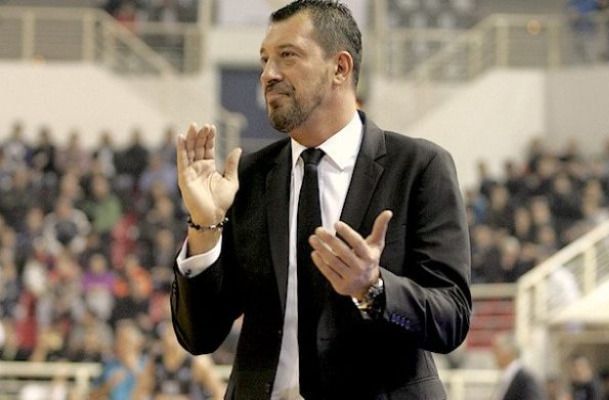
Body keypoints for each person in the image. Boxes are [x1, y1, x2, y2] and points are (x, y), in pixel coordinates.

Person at [171, 1, 471, 399]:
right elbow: (199, 336)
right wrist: (204, 227)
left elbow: (451, 318)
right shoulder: (247, 177)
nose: (268, 74)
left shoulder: (419, 167)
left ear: (340, 68)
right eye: (264, 59)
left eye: (287, 56)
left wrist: (374, 288)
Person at [491, 332, 546, 400]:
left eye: (496, 351)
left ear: (506, 352)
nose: (494, 356)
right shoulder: (508, 377)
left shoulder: (525, 378)